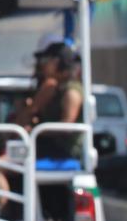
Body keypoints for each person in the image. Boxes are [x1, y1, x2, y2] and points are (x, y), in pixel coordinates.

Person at [13, 34, 85, 162]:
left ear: (57, 62)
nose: (41, 66)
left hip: (63, 151)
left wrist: (36, 131)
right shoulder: (58, 88)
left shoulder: (71, 91)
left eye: (45, 61)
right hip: (51, 145)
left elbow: (66, 127)